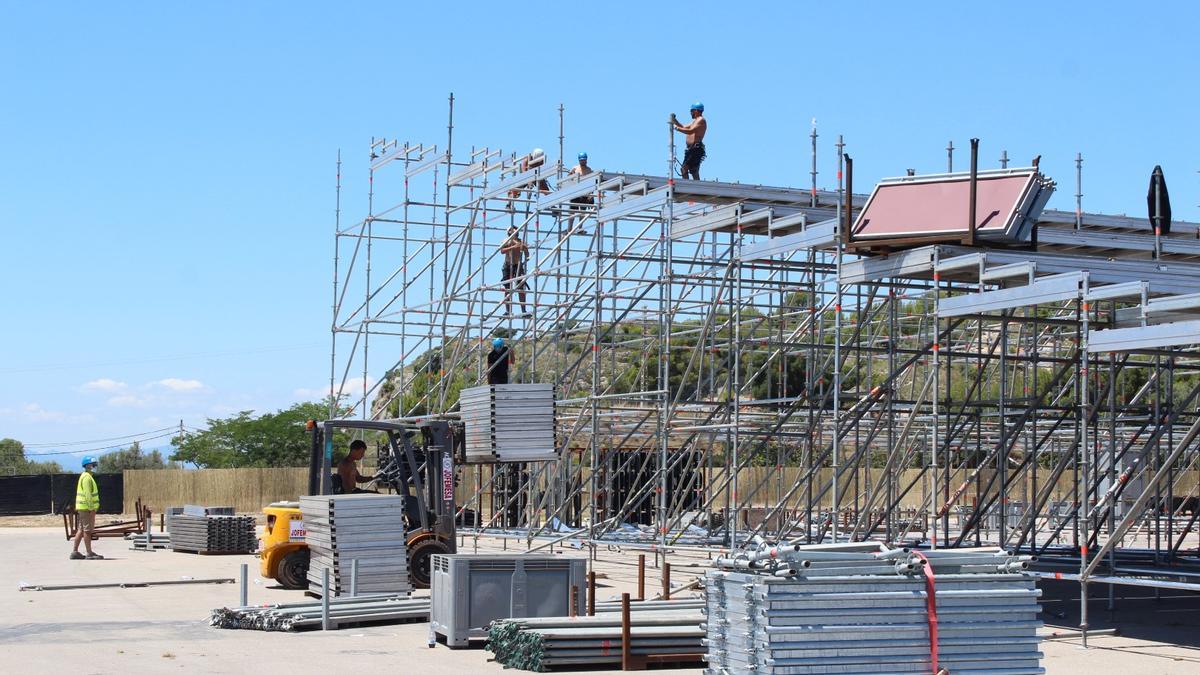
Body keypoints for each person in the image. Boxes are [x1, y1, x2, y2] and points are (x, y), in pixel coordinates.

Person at [70, 456, 103, 560]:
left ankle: (75, 552)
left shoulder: (86, 476)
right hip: (86, 508)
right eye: (92, 464)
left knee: (81, 529)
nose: (93, 466)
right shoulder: (87, 478)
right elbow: (88, 494)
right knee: (87, 530)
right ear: (87, 465)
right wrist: (91, 508)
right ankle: (89, 553)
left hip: (83, 508)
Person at [500, 225, 530, 316]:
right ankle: (508, 311)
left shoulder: (520, 242)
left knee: (521, 288)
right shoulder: (506, 240)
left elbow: (526, 253)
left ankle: (524, 311)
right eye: (512, 229)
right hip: (508, 265)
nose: (514, 230)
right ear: (509, 231)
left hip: (518, 265)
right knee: (508, 288)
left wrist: (525, 250)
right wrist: (513, 247)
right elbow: (502, 251)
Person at [672, 102, 707, 180]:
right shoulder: (695, 121)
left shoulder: (701, 120)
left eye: (691, 111)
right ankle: (697, 188)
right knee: (693, 170)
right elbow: (684, 127)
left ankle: (688, 186)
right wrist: (675, 121)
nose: (690, 113)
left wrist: (677, 128)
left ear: (696, 111)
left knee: (684, 169)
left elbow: (690, 131)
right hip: (692, 149)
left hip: (695, 149)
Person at [567, 152, 595, 221]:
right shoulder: (575, 168)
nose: (583, 162)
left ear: (586, 160)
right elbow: (568, 179)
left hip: (584, 193)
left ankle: (580, 229)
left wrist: (591, 194)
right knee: (572, 211)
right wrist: (571, 174)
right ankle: (569, 229)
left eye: (584, 160)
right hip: (575, 192)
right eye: (581, 160)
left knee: (583, 212)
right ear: (579, 160)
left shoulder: (589, 170)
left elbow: (592, 183)